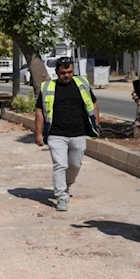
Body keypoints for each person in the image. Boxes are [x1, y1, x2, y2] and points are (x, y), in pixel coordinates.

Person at [34, 56, 100, 212]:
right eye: (63, 73)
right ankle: (61, 197)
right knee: (60, 164)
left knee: (75, 164)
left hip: (78, 132)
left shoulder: (82, 84)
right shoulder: (48, 87)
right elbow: (39, 111)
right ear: (57, 72)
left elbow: (93, 104)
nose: (67, 75)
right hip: (56, 133)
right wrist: (38, 133)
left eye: (70, 72)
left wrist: (96, 124)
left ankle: (67, 185)